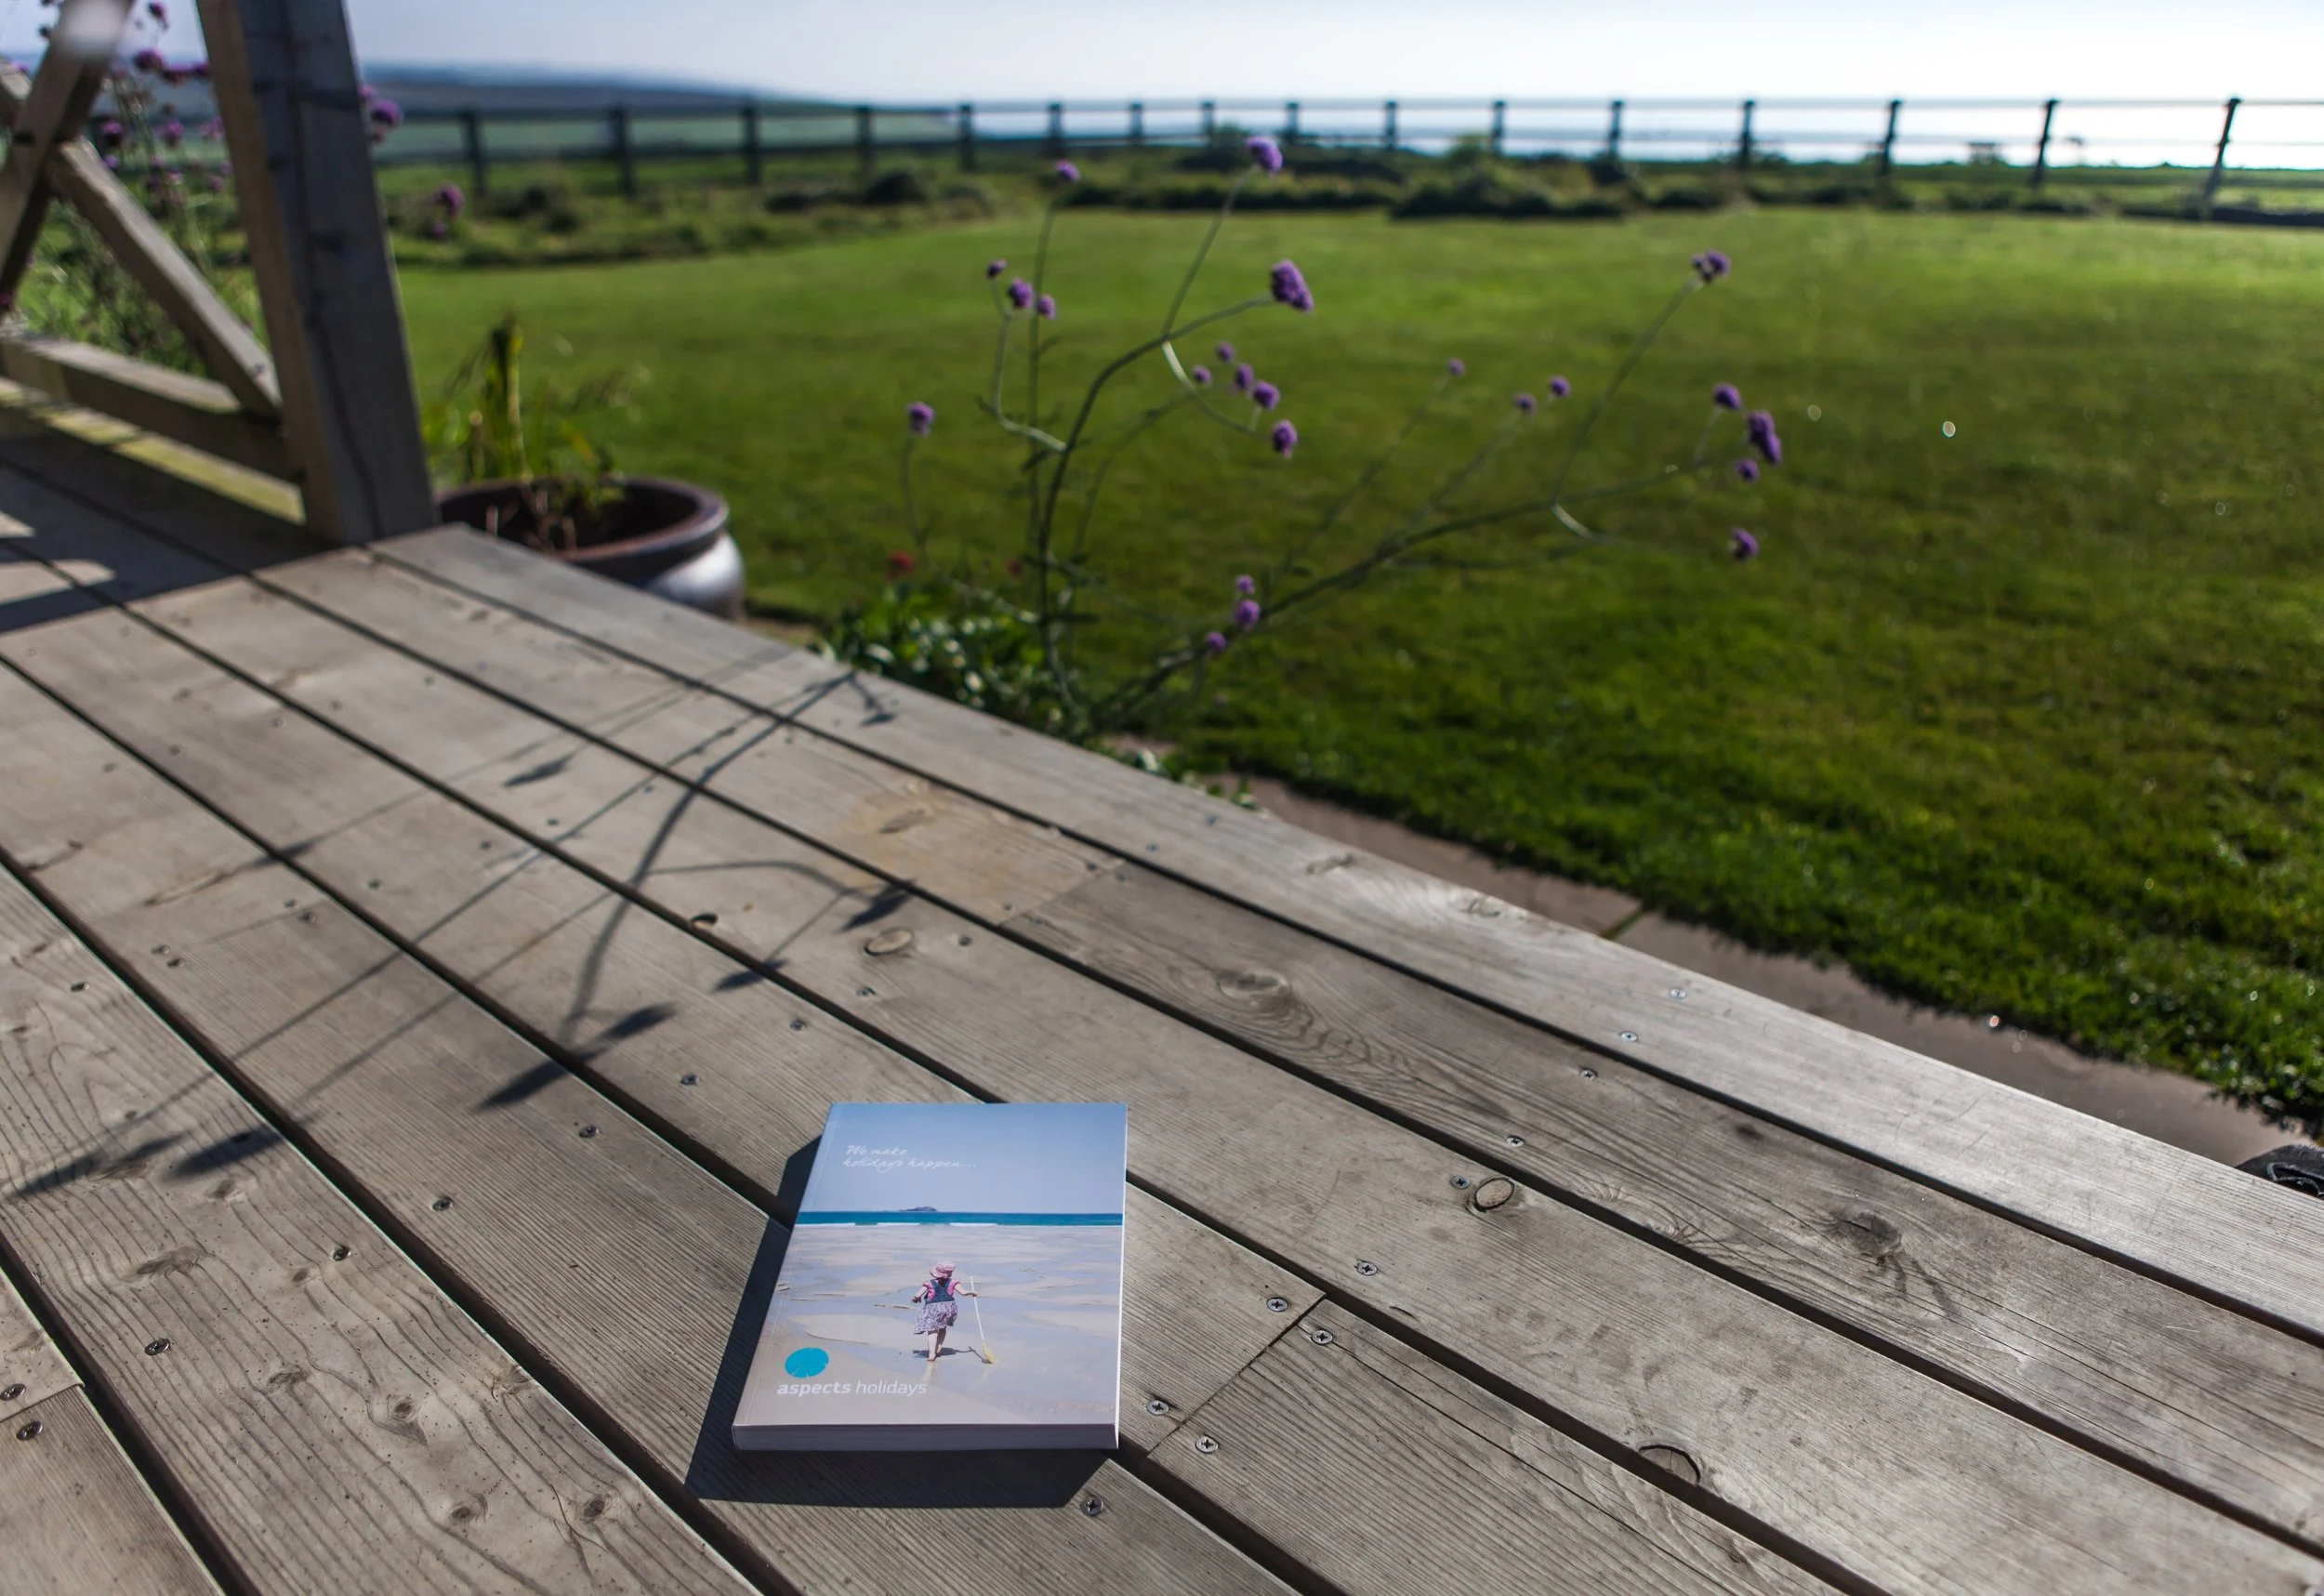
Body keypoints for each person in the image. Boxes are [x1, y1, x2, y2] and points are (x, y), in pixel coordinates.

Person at [909, 1262, 977, 1363]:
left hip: (933, 1309)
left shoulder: (929, 1283)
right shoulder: (953, 1282)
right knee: (942, 1328)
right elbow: (963, 1292)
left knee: (932, 1331)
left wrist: (916, 1298)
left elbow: (917, 1295)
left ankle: (932, 1354)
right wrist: (972, 1292)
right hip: (948, 1308)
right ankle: (938, 1347)